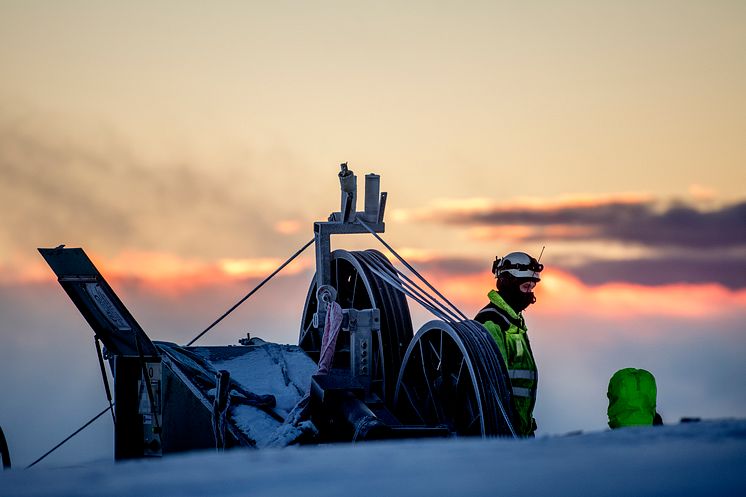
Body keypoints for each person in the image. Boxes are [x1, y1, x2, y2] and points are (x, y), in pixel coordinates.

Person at [475, 251, 543, 436]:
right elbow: (495, 384)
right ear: (508, 283)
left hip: (519, 428)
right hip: (503, 429)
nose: (530, 294)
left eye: (531, 287)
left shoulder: (514, 321)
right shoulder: (492, 322)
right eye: (525, 287)